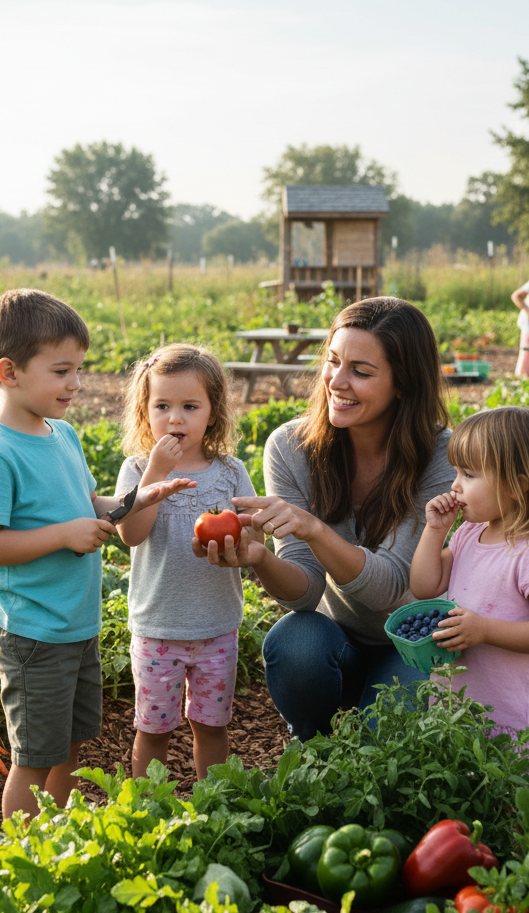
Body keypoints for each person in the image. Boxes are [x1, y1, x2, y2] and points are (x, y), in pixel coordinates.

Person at [0, 289, 195, 821]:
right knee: (33, 758)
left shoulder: (61, 434)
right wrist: (63, 535)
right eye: (62, 370)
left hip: (75, 626)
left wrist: (139, 498)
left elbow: (90, 502)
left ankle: (59, 833)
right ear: (9, 371)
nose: (75, 383)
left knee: (69, 744)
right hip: (32, 633)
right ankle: (18, 852)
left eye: (78, 369)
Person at [195, 296, 455, 741]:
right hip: (333, 638)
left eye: (361, 371)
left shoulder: (442, 456)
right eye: (333, 362)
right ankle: (313, 742)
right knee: (295, 642)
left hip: (410, 644)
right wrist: (261, 557)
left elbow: (390, 587)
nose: (337, 381)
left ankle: (366, 729)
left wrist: (314, 528)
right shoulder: (291, 448)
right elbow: (304, 593)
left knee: (381, 749)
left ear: (403, 384)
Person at [409, 406, 529, 829]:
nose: (456, 486)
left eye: (470, 475)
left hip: (509, 714)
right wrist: (435, 530)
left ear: (518, 486)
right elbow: (424, 585)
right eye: (457, 472)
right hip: (457, 702)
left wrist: (485, 630)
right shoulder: (469, 534)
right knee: (466, 794)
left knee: (516, 803)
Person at [114, 344, 255, 780]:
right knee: (153, 730)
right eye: (163, 406)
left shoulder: (230, 472)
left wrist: (242, 541)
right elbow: (130, 534)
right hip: (159, 629)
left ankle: (213, 804)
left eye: (189, 406)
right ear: (146, 411)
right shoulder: (137, 469)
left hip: (216, 627)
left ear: (212, 413)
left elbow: (253, 535)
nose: (175, 418)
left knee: (211, 726)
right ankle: (145, 808)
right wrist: (155, 474)